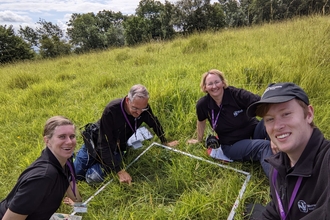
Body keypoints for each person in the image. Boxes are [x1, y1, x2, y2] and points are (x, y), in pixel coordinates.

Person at [246, 82, 330, 219]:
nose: (277, 126)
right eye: (270, 119)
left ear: (309, 114)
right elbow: (277, 208)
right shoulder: (277, 166)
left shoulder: (326, 161)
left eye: (286, 114)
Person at [74, 84, 178, 185]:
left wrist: (165, 142)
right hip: (97, 142)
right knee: (75, 175)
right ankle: (79, 156)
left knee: (94, 177)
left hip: (117, 148)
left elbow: (154, 123)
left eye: (143, 109)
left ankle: (96, 165)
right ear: (128, 100)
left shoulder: (143, 108)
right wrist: (119, 171)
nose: (139, 113)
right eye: (135, 108)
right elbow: (103, 144)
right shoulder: (112, 110)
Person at [187, 69, 273, 177]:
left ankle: (288, 156)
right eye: (210, 84)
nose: (214, 86)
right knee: (265, 146)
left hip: (254, 132)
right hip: (233, 144)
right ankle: (280, 183)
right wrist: (199, 139)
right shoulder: (203, 104)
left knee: (270, 124)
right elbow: (201, 121)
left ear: (223, 83)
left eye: (217, 82)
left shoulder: (235, 94)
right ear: (205, 87)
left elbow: (260, 103)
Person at [0, 116, 82, 220]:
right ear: (47, 141)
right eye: (62, 137)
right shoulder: (43, 177)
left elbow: (75, 196)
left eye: (72, 136)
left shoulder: (66, 160)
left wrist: (78, 206)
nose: (69, 142)